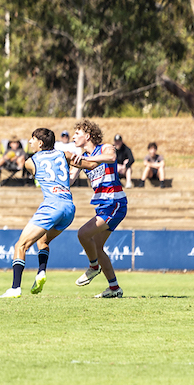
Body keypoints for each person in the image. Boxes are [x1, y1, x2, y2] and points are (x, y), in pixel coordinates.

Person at [0, 128, 74, 298]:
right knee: (43, 240)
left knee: (20, 246)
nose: (30, 142)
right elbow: (85, 164)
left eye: (32, 139)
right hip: (69, 207)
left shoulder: (30, 161)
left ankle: (15, 288)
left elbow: (38, 174)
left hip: (52, 205)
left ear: (40, 143)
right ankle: (41, 272)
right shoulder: (65, 154)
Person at [65, 119, 126, 298]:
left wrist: (85, 159)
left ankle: (93, 267)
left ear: (88, 136)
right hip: (103, 206)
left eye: (77, 133)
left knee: (83, 233)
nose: (74, 136)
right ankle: (114, 288)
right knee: (98, 248)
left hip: (114, 203)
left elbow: (111, 158)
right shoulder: (81, 156)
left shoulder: (106, 148)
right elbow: (70, 179)